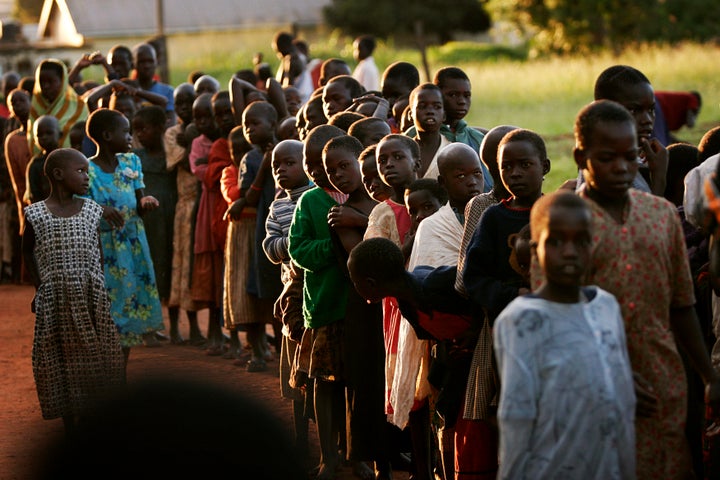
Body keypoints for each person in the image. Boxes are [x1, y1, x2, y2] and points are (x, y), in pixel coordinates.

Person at [568, 99, 720, 478]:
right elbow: (561, 319)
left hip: (662, 377)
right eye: (607, 158)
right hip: (593, 384)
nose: (622, 168)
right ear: (581, 156)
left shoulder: (661, 215)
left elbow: (681, 304)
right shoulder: (564, 226)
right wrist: (615, 374)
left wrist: (708, 377)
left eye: (630, 156)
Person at [495, 190, 636, 478]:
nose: (570, 252)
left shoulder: (606, 307)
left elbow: (621, 403)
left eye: (580, 241)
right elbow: (516, 416)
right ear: (536, 250)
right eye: (556, 242)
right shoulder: (521, 320)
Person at [21, 147, 125, 435]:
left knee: (95, 355)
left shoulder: (92, 210)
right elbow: (27, 252)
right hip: (55, 297)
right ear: (57, 174)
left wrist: (99, 285)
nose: (86, 177)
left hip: (89, 294)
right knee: (59, 358)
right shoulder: (35, 214)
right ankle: (70, 425)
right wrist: (39, 288)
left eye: (86, 172)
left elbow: (98, 253)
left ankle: (94, 417)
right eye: (80, 171)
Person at [322, 134, 391, 479]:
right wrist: (365, 224)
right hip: (364, 306)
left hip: (393, 304)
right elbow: (364, 256)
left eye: (344, 165)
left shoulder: (381, 206)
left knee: (390, 379)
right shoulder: (340, 213)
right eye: (331, 170)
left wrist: (365, 222)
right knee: (367, 382)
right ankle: (376, 461)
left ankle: (395, 454)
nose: (339, 174)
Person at [287, 123, 348, 479]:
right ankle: (328, 454)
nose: (316, 171)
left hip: (358, 307)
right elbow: (298, 250)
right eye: (309, 163)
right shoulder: (310, 201)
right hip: (324, 306)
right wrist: (334, 247)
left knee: (355, 384)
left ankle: (352, 451)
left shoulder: (362, 196)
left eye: (323, 162)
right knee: (325, 383)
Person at [84, 108, 164, 364]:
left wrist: (147, 202)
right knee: (109, 310)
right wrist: (102, 210)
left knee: (129, 312)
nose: (130, 137)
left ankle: (121, 374)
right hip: (104, 252)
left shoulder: (132, 163)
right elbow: (80, 208)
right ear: (107, 135)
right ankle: (106, 373)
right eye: (125, 131)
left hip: (133, 247)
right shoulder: (87, 170)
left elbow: (139, 200)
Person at [262, 139, 313, 465]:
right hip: (293, 299)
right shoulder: (278, 206)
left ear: (307, 164)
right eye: (275, 166)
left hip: (320, 293)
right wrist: (295, 242)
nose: (281, 170)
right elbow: (270, 247)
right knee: (296, 373)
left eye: (288, 163)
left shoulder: (321, 198)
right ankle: (300, 439)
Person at [463, 128, 550, 320]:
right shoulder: (493, 218)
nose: (515, 173)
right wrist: (512, 296)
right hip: (508, 321)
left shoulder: (554, 214)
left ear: (545, 167)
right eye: (507, 167)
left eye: (525, 165)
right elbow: (473, 277)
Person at [224, 101, 283, 371]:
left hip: (286, 223)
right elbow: (249, 196)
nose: (249, 129)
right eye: (246, 125)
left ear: (273, 125)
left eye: (254, 123)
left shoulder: (286, 148)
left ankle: (284, 352)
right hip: (263, 227)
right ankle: (259, 350)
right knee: (262, 288)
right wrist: (265, 165)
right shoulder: (252, 158)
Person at [132, 105, 177, 346]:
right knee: (148, 269)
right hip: (148, 220)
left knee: (166, 267)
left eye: (144, 128)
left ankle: (164, 325)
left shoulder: (172, 154)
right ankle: (147, 327)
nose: (139, 134)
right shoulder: (137, 159)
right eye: (136, 129)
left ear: (161, 128)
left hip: (169, 217)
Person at [586, 65, 668, 196]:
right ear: (604, 110)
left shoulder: (640, 161)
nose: (647, 119)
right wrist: (659, 179)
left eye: (651, 110)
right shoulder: (610, 172)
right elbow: (643, 215)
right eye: (634, 110)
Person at [164, 83, 204, 345]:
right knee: (179, 265)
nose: (184, 108)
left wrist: (192, 141)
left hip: (202, 205)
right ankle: (177, 328)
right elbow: (178, 163)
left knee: (194, 267)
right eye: (179, 103)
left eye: (189, 103)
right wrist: (190, 144)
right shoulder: (173, 133)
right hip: (184, 205)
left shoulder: (199, 133)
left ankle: (196, 327)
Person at [188, 93, 224, 354]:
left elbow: (214, 171)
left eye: (207, 117)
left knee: (224, 266)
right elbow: (202, 173)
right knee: (210, 268)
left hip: (222, 204)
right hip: (207, 205)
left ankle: (225, 333)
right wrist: (212, 164)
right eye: (197, 118)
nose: (202, 123)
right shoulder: (197, 144)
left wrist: (210, 162)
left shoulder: (225, 141)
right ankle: (213, 331)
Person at [27, 59, 89, 157]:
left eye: (51, 82)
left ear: (63, 81)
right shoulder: (35, 110)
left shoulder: (79, 108)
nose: (45, 86)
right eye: (41, 82)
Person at [408, 83, 451, 179]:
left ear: (444, 115)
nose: (430, 111)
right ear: (410, 115)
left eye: (437, 107)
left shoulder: (451, 151)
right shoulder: (402, 151)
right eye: (422, 106)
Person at [131, 43, 175, 126]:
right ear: (133, 64)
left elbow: (171, 122)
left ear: (156, 63)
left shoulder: (168, 92)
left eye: (150, 61)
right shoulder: (129, 90)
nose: (147, 66)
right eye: (142, 62)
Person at [24, 115, 59, 205]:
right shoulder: (35, 164)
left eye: (49, 133)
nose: (44, 137)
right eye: (40, 135)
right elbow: (34, 196)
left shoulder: (69, 159)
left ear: (60, 134)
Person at [380, 62, 420, 133]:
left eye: (396, 96)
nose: (389, 102)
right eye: (385, 96)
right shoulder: (383, 122)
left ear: (415, 90)